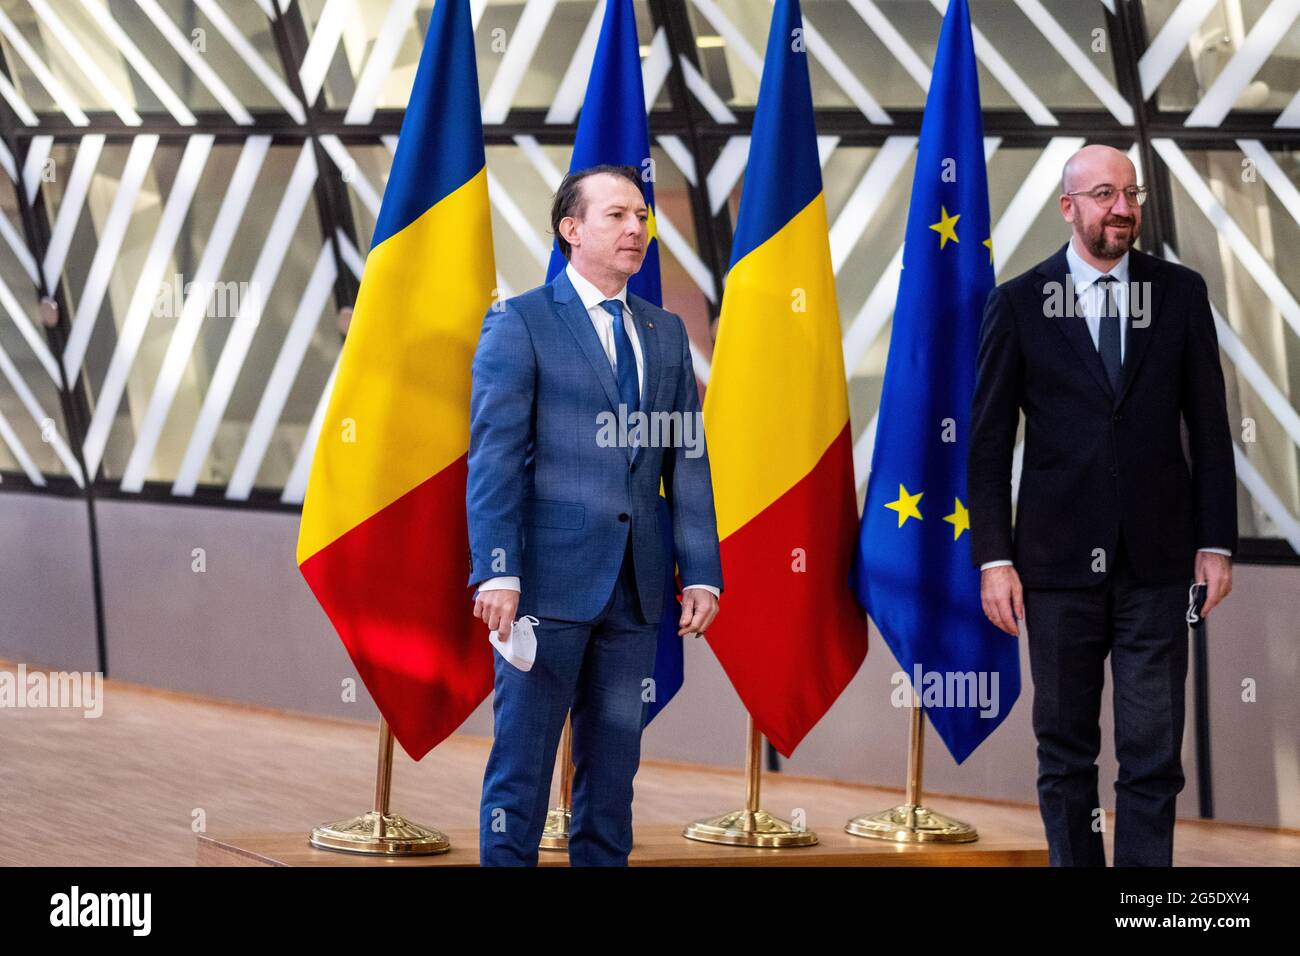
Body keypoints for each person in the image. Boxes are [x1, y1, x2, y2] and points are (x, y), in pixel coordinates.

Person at [967, 144, 1237, 866]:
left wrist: (1217, 543)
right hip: (1054, 571)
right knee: (1065, 753)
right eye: (1104, 195)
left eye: (1130, 193)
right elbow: (988, 445)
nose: (1122, 208)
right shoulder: (1020, 302)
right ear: (1069, 207)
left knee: (1152, 751)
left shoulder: (1180, 294)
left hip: (1158, 569)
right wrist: (995, 559)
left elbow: (1210, 429)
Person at [467, 164, 723, 866]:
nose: (636, 228)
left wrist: (701, 570)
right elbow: (493, 461)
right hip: (545, 589)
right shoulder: (519, 323)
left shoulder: (666, 333)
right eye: (617, 216)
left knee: (612, 783)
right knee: (521, 772)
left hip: (637, 592)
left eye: (641, 215)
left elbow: (687, 462)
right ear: (570, 229)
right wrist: (497, 571)